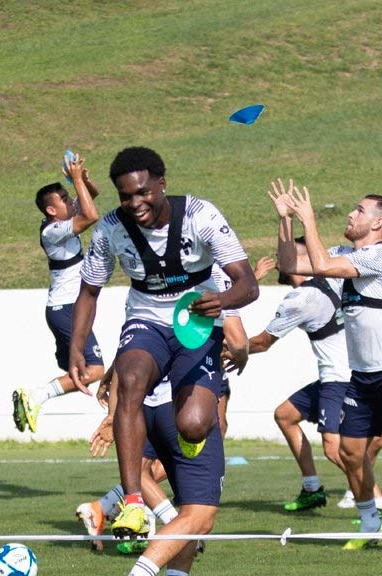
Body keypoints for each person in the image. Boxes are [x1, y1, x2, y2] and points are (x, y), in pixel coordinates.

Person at [69, 146, 258, 551]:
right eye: (125, 195)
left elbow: (247, 283)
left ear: (161, 184)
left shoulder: (200, 215)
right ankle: (134, 502)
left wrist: (221, 302)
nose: (134, 203)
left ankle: (183, 448)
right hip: (146, 317)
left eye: (142, 192)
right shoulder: (109, 230)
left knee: (193, 424)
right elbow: (88, 291)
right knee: (131, 380)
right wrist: (77, 348)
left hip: (198, 320)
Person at [270, 179, 382, 557]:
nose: (351, 214)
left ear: (376, 226)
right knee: (351, 454)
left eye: (359, 210)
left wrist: (309, 220)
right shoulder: (344, 253)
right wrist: (285, 221)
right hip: (361, 375)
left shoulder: (381, 257)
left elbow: (319, 262)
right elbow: (291, 264)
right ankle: (370, 519)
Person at [77, 263, 253, 555]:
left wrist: (114, 411)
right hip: (180, 403)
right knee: (196, 508)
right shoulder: (213, 277)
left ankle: (114, 508)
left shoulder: (148, 279)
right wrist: (242, 354)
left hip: (144, 405)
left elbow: (134, 348)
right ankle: (173, 526)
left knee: (140, 470)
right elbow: (236, 338)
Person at [249, 238, 382, 520]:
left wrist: (225, 349)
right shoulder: (331, 281)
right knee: (285, 415)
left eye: (286, 254)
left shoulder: (302, 298)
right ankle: (312, 487)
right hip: (344, 373)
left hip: (337, 378)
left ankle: (378, 502)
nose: (280, 257)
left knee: (333, 448)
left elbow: (262, 343)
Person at [14, 153, 105, 433]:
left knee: (80, 374)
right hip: (67, 309)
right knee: (95, 369)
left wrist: (83, 178)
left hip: (66, 307)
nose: (70, 202)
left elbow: (93, 195)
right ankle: (35, 396)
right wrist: (76, 180)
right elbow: (91, 215)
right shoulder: (52, 231)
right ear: (51, 210)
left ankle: (36, 397)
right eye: (64, 200)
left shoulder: (62, 223)